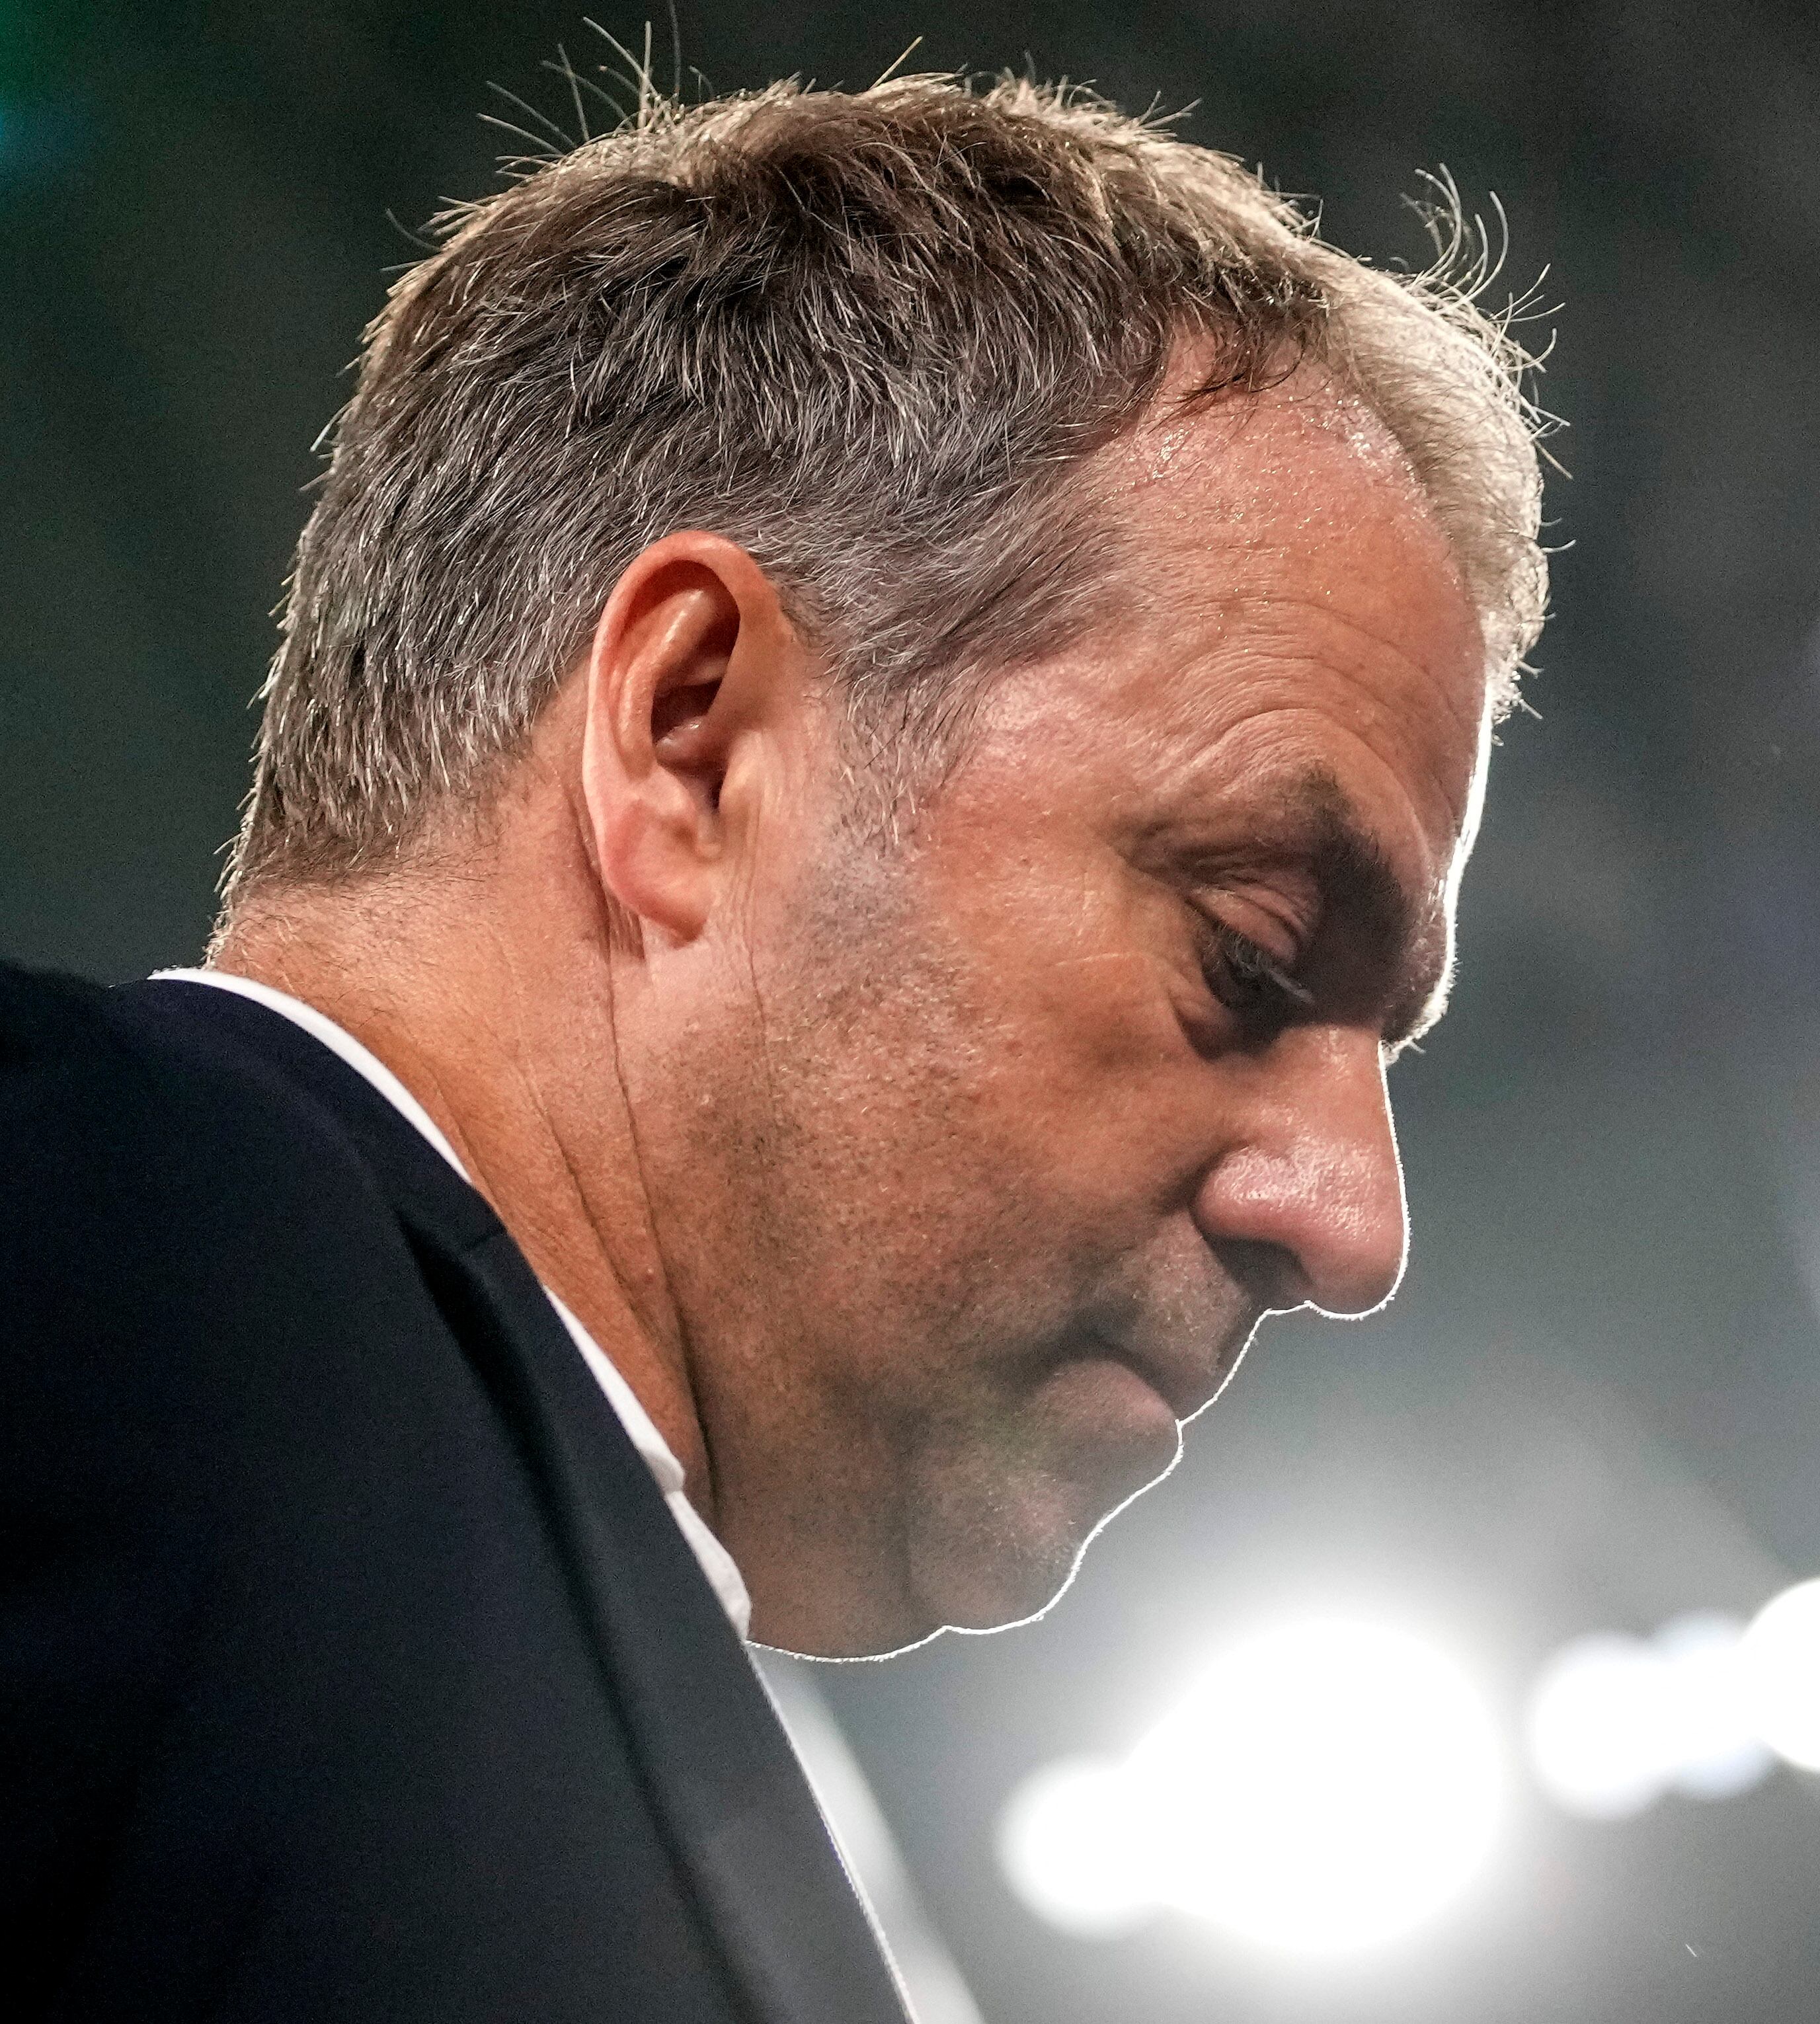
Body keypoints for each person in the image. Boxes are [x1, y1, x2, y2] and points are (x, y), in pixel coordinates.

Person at [0, 71, 1545, 2022]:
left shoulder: (456, 1587)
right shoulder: (81, 1276)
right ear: (693, 742)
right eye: (1250, 952)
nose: (1356, 1223)